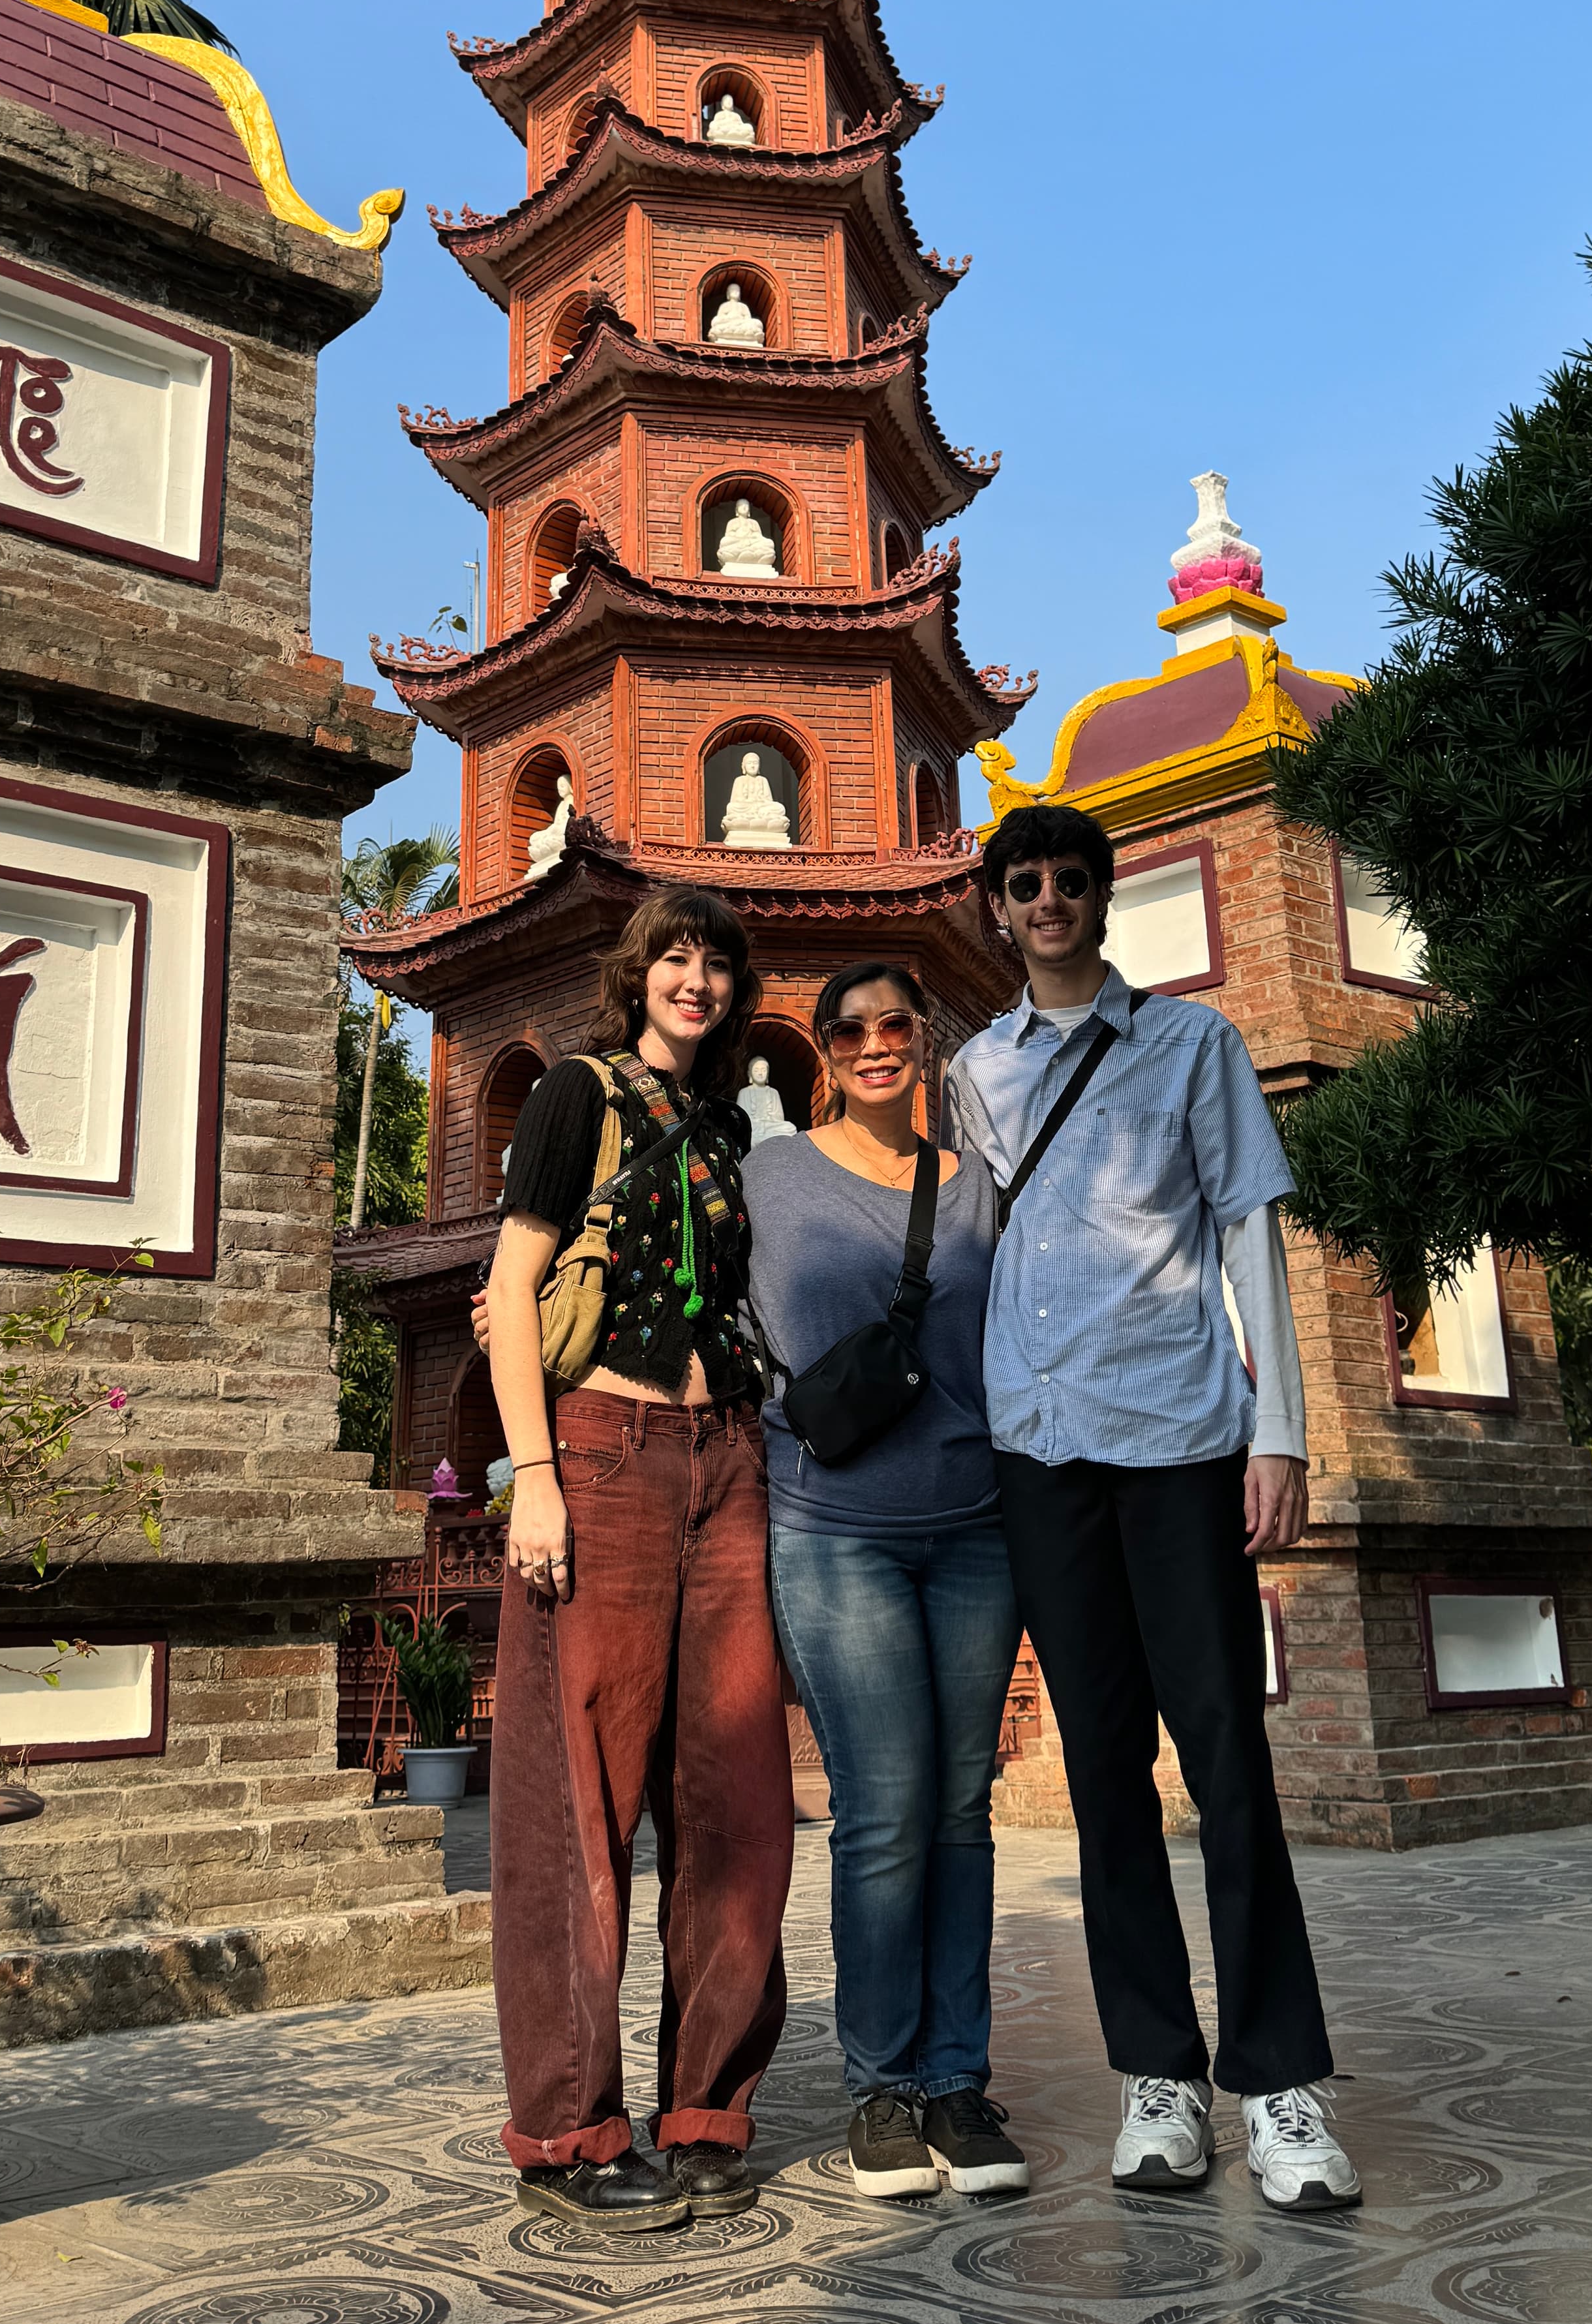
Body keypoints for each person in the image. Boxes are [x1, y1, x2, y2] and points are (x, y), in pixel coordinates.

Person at [948, 802, 1360, 2215]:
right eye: (1025, 882)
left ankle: (1284, 2084)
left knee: (1227, 1755)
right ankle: (1159, 2078)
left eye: (1070, 879)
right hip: (1041, 1445)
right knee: (1104, 1770)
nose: (1048, 899)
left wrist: (1281, 1432)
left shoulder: (1196, 1044)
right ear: (998, 907)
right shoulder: (976, 1070)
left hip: (1181, 1437)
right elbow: (977, 1256)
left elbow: (1251, 1230)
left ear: (1103, 899)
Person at [480, 886, 793, 2232]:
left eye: (719, 961)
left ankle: (708, 2106)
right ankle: (569, 2127)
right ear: (637, 973)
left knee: (735, 1795)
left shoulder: (730, 1127)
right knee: (580, 1800)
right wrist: (534, 1478)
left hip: (727, 1458)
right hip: (598, 1450)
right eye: (675, 955)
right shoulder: (573, 1095)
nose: (698, 979)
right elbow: (510, 1292)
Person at [747, 962, 1029, 2204]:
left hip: (976, 1522)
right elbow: (676, 1285)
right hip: (834, 1521)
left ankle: (958, 2080)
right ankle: (881, 2085)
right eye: (851, 1028)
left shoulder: (976, 1192)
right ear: (823, 1049)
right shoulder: (771, 1174)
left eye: (897, 1025)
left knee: (961, 1807)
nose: (875, 1044)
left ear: (926, 1043)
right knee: (883, 1805)